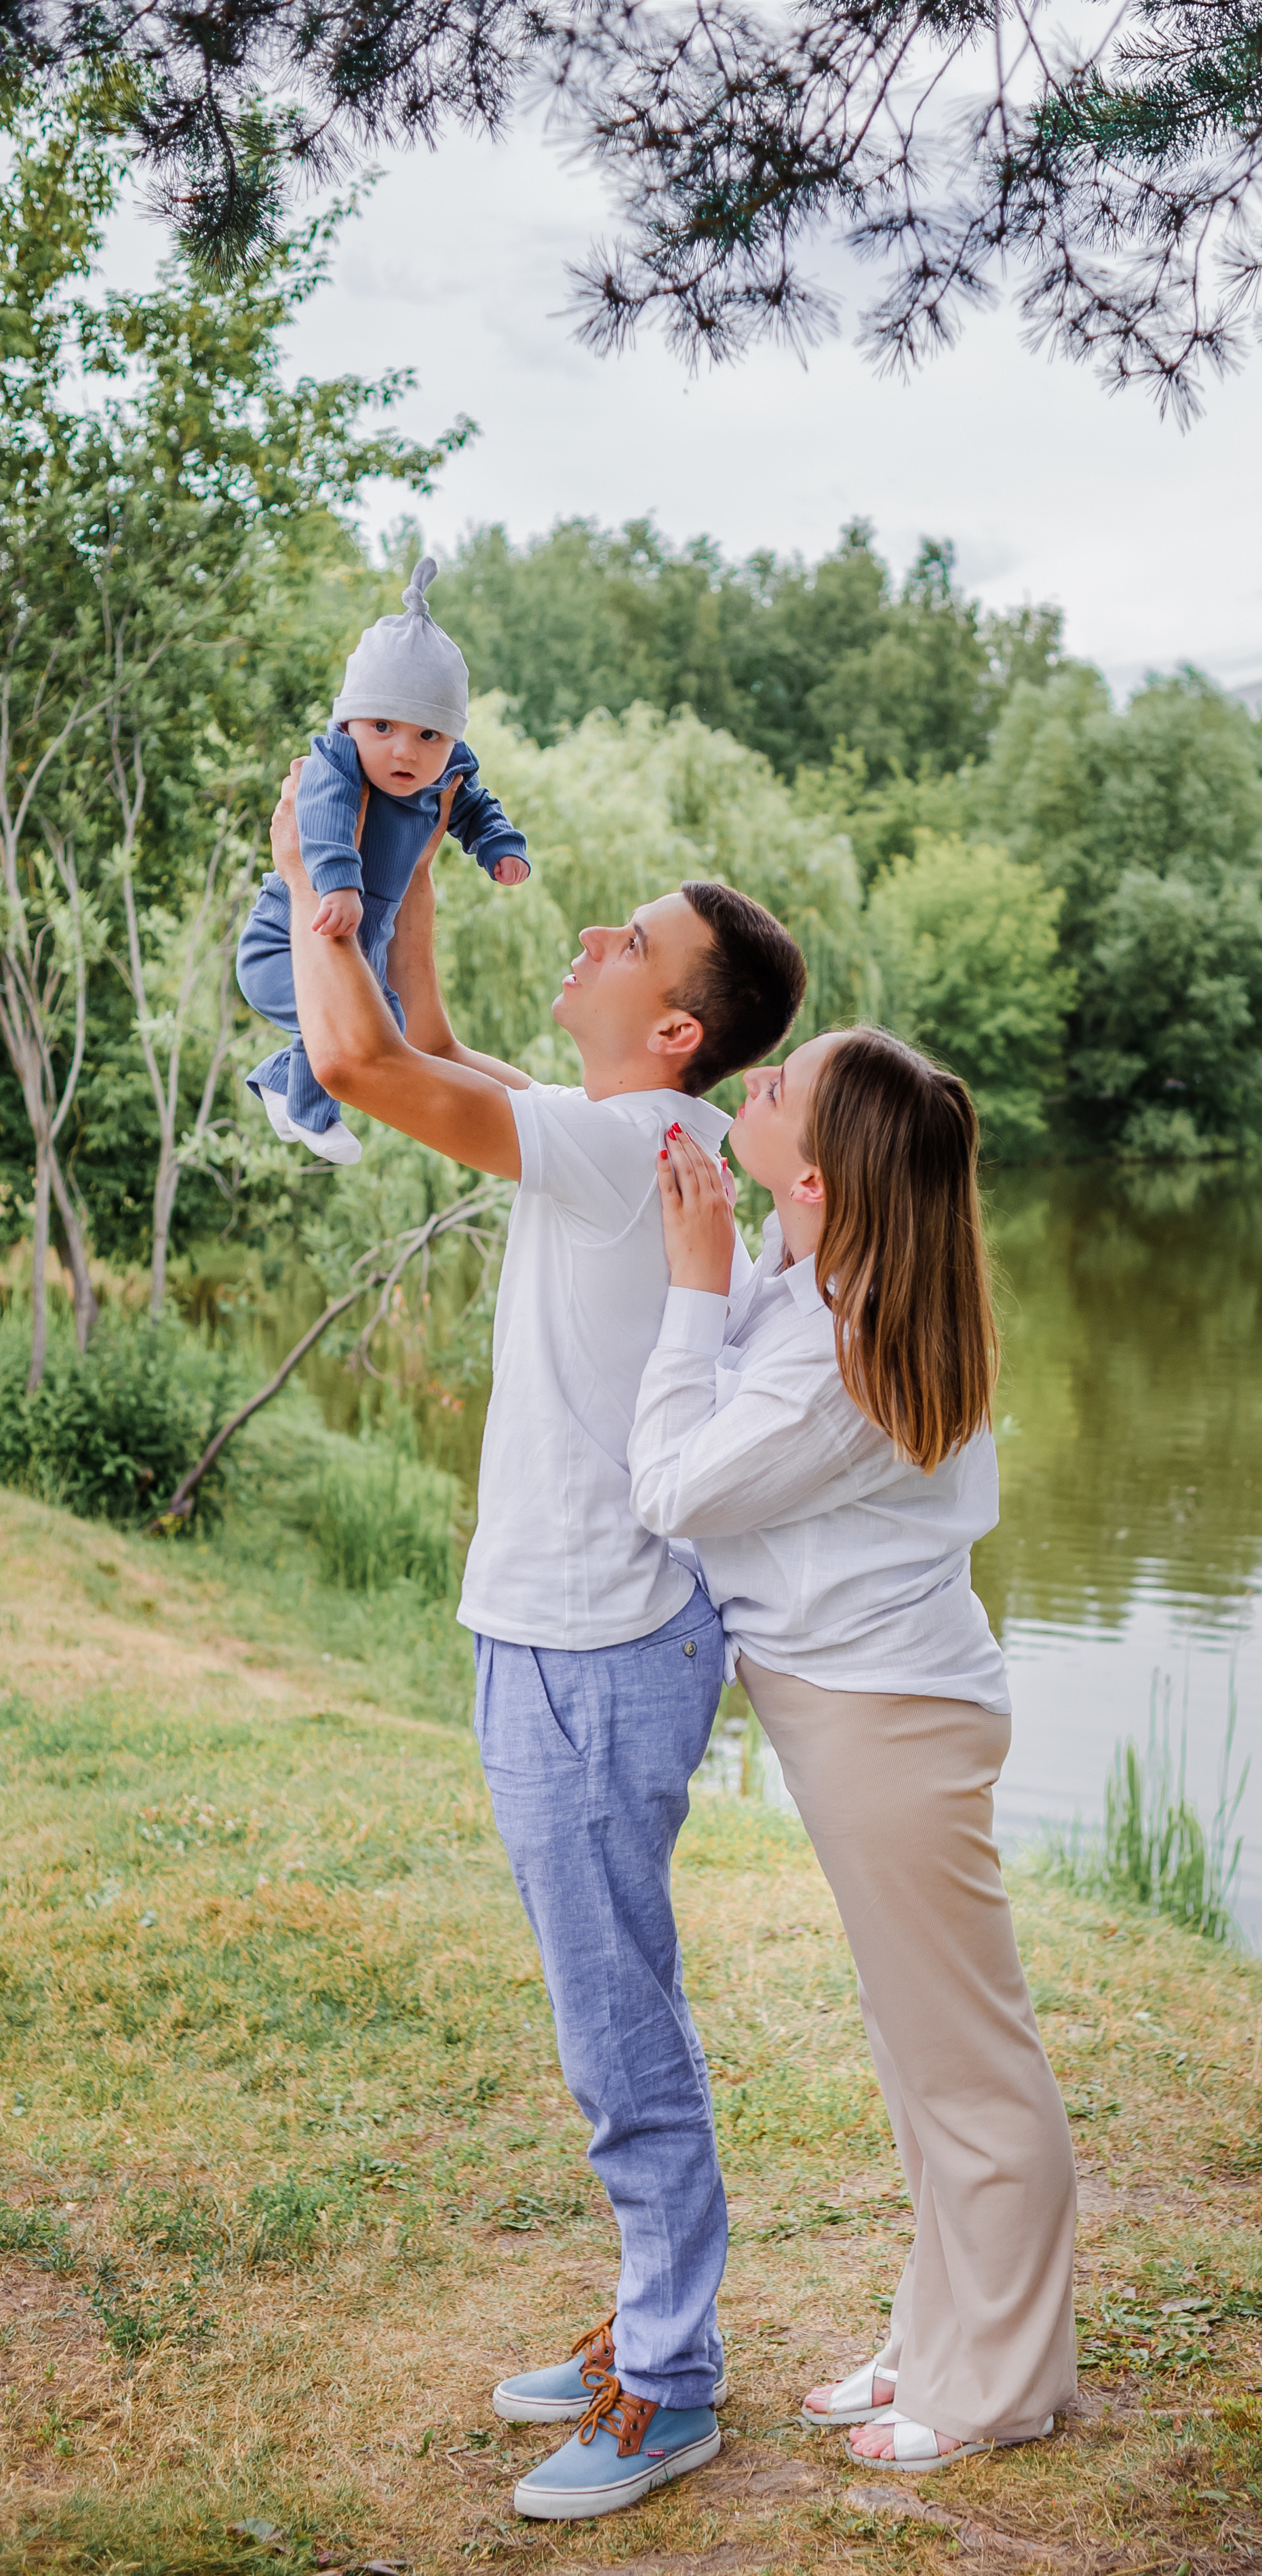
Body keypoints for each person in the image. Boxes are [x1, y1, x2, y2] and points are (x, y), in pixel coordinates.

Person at [262, 767, 806, 2522]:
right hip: (564, 1634)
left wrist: (304, 864)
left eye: (625, 936)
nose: (584, 930)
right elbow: (417, 1028)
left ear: (668, 1026)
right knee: (606, 2011)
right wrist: (397, 849)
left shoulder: (615, 1144)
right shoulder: (643, 1135)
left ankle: (673, 2385)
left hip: (594, 1645)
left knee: (613, 2024)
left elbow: (353, 1067)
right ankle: (647, 2323)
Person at [629, 1028, 1078, 2472]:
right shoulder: (822, 1275)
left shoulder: (838, 1350)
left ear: (815, 1177)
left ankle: (999, 2384)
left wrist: (694, 1290)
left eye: (768, 1092)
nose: (743, 1088)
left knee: (967, 2066)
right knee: (916, 2056)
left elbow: (670, 1490)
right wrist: (733, 1261)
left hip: (888, 1724)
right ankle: (937, 2345)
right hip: (868, 1712)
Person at [238, 558, 529, 1165]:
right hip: (292, 934)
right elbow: (318, 821)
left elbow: (475, 809)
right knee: (362, 1027)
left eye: (430, 736)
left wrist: (499, 847)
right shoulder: (337, 762)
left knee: (384, 1027)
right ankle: (311, 1111)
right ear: (349, 721)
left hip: (364, 940)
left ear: (452, 740)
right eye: (382, 726)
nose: (405, 750)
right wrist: (336, 885)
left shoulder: (448, 773)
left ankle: (278, 1080)